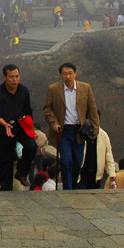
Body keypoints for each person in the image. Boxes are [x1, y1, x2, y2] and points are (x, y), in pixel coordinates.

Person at [43, 62, 100, 190]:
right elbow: (47, 108)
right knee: (66, 161)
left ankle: (72, 186)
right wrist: (53, 123)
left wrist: (95, 128)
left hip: (79, 131)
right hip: (63, 131)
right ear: (60, 75)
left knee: (77, 162)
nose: (68, 76)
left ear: (75, 74)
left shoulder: (85, 88)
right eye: (65, 74)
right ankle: (68, 189)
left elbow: (92, 109)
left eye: (70, 73)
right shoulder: (54, 89)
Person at [0, 64, 39, 191]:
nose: (14, 79)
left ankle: (21, 172)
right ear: (4, 77)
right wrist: (4, 124)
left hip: (20, 125)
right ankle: (5, 189)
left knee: (31, 147)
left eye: (17, 76)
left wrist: (30, 126)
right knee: (5, 160)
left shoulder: (23, 91)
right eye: (11, 77)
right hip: (4, 128)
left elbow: (28, 110)